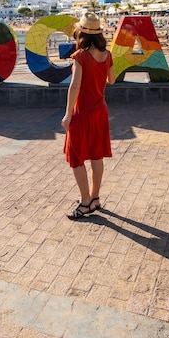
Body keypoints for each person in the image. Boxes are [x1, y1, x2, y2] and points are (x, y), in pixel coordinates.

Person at [61, 12, 115, 219]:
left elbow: (74, 87)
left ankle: (85, 203)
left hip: (82, 113)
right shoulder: (107, 55)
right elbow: (111, 80)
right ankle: (95, 198)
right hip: (100, 110)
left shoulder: (80, 57)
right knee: (96, 155)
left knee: (76, 157)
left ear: (80, 33)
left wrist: (67, 115)